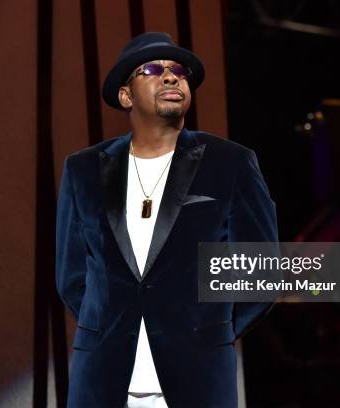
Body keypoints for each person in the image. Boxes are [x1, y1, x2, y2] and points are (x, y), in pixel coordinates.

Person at [55, 32, 278, 408]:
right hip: (103, 383)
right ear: (126, 96)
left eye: (179, 71)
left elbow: (260, 274)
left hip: (198, 382)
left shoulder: (230, 162)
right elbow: (72, 277)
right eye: (153, 69)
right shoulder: (84, 170)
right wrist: (113, 324)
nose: (172, 77)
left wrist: (206, 330)